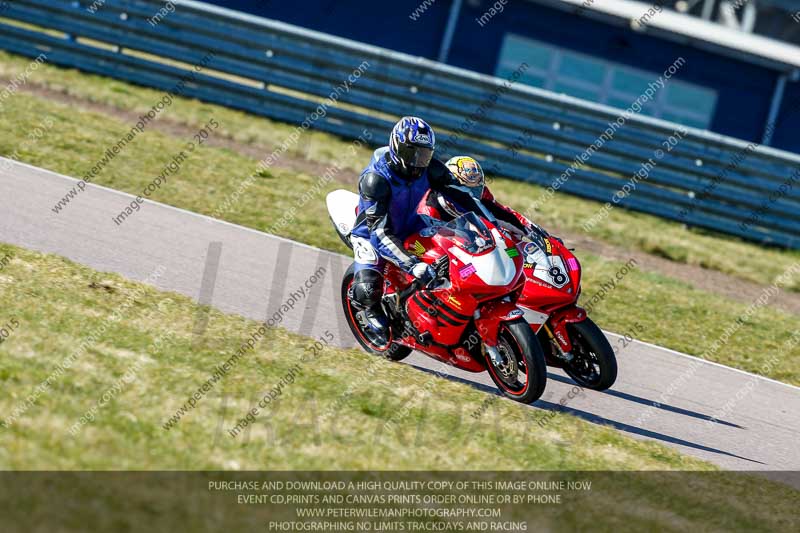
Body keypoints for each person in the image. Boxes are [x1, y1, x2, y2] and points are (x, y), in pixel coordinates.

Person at [349, 117, 481, 348]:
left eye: (425, 154)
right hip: (371, 235)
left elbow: (459, 194)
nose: (420, 162)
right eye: (415, 154)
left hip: (412, 223)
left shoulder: (428, 169)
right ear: (399, 149)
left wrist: (485, 220)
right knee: (366, 289)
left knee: (458, 251)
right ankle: (368, 310)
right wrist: (412, 264)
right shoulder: (375, 180)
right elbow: (379, 232)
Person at [419, 155, 549, 240]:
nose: (471, 195)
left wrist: (541, 236)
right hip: (443, 256)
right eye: (467, 189)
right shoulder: (430, 204)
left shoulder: (482, 195)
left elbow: (506, 215)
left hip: (482, 251)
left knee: (511, 237)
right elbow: (423, 238)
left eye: (476, 188)